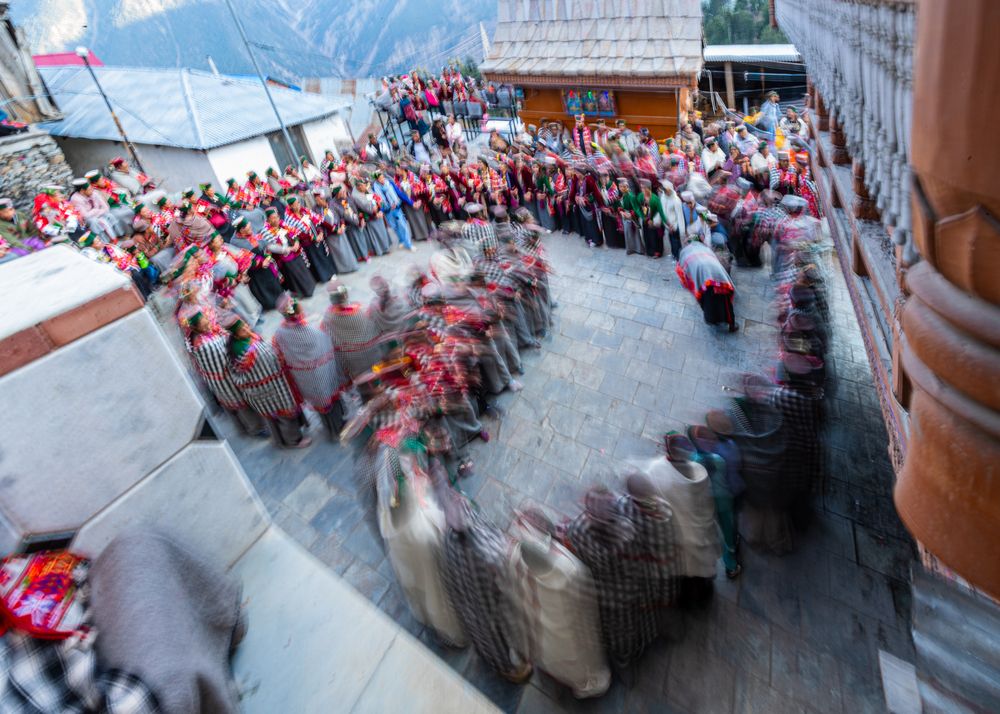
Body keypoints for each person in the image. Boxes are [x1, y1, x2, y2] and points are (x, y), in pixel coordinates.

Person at [223, 313, 311, 448]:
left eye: (245, 325)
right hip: (269, 390)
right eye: (242, 330)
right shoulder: (244, 351)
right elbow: (265, 362)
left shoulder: (245, 339)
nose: (246, 329)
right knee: (284, 414)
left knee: (280, 415)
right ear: (235, 335)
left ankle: (286, 437)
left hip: (268, 387)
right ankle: (293, 441)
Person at [272, 293, 350, 438]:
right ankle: (338, 428)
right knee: (331, 403)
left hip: (305, 379)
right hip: (323, 375)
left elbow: (279, 353)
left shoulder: (280, 333)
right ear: (299, 310)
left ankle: (331, 428)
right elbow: (328, 341)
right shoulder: (313, 330)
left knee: (322, 405)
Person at [182, 310, 266, 436]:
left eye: (206, 320)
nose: (208, 324)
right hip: (224, 379)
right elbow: (222, 358)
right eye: (204, 323)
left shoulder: (205, 335)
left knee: (234, 406)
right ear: (196, 328)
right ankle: (256, 429)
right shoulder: (204, 346)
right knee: (240, 404)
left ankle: (243, 429)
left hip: (223, 377)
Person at [676, 239, 737, 331]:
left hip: (705, 282)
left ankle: (714, 320)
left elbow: (683, 272)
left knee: (708, 301)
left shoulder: (685, 253)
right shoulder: (705, 249)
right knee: (725, 301)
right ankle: (731, 324)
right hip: (718, 276)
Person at [259, 206, 316, 298]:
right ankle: (303, 292)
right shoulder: (266, 232)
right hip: (285, 257)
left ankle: (310, 287)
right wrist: (289, 249)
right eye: (273, 218)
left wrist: (296, 242)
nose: (276, 219)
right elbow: (271, 247)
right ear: (268, 220)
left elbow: (293, 232)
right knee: (295, 275)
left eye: (277, 217)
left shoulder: (283, 224)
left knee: (302, 271)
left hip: (295, 251)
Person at [373, 169, 414, 251]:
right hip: (387, 211)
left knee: (403, 225)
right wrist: (384, 209)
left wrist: (411, 202)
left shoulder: (390, 183)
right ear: (377, 180)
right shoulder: (375, 188)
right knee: (395, 227)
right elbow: (379, 201)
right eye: (380, 178)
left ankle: (409, 244)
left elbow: (399, 193)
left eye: (383, 177)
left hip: (396, 207)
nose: (382, 179)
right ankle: (401, 240)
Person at [69, 177, 118, 242]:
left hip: (95, 214)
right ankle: (103, 241)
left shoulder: (93, 192)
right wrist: (96, 210)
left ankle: (115, 236)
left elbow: (106, 207)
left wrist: (98, 211)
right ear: (82, 191)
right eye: (89, 189)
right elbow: (85, 216)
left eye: (91, 188)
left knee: (108, 215)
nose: (92, 190)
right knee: (94, 221)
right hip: (85, 220)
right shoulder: (76, 199)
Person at [0, 197, 45, 263]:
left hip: (29, 240)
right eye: (5, 212)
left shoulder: (19, 215)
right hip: (15, 246)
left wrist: (38, 238)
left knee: (41, 246)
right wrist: (29, 248)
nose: (10, 212)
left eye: (11, 209)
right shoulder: (1, 224)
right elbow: (12, 240)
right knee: (19, 255)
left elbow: (32, 228)